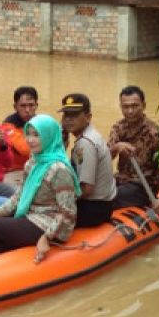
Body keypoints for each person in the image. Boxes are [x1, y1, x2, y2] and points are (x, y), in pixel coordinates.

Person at [0, 114, 79, 262]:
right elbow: (19, 196)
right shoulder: (33, 162)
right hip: (31, 213)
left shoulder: (59, 169)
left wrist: (46, 238)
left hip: (48, 223)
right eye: (28, 134)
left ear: (49, 136)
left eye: (36, 135)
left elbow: (68, 212)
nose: (30, 139)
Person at [58, 93, 117, 227]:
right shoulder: (89, 135)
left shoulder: (85, 143)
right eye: (66, 115)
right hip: (100, 205)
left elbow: (86, 189)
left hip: (93, 208)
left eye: (74, 115)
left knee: (42, 215)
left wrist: (58, 199)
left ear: (88, 117)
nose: (68, 120)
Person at [108, 85, 159, 214]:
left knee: (106, 199)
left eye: (135, 106)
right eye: (126, 107)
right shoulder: (118, 128)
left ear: (144, 105)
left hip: (144, 187)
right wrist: (116, 148)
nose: (130, 111)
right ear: (121, 107)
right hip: (120, 180)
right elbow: (105, 158)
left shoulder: (155, 133)